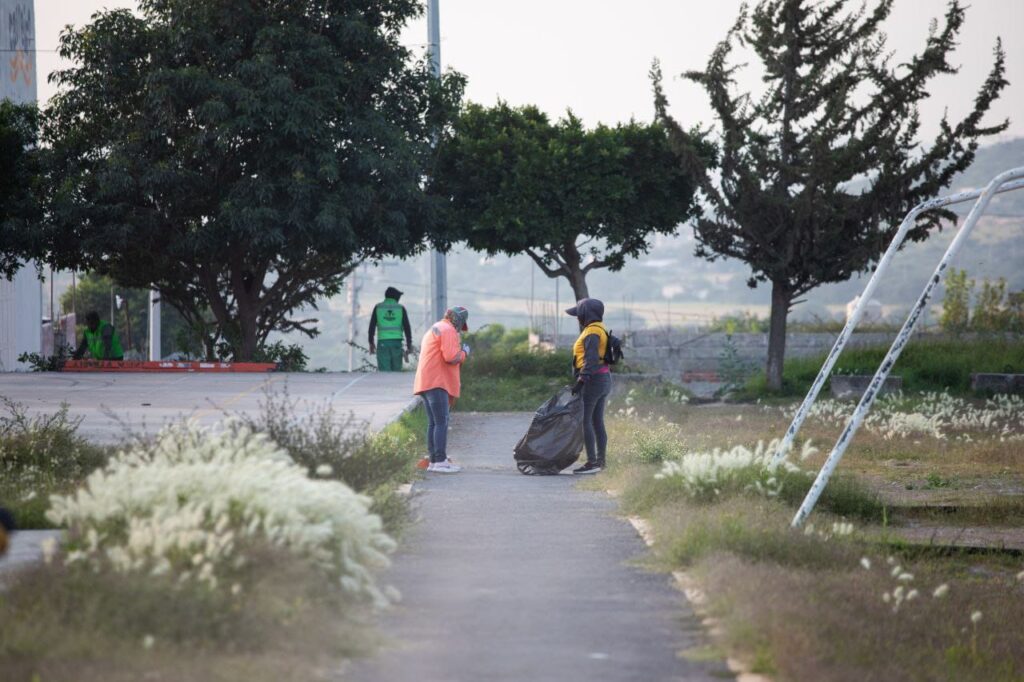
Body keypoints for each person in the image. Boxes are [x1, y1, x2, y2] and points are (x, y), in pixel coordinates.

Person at [413, 306, 470, 473]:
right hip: (437, 382)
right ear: (458, 320)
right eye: (462, 324)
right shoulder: (449, 330)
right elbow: (451, 357)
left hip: (425, 381)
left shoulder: (437, 327)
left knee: (433, 423)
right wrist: (464, 352)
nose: (460, 329)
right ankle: (440, 461)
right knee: (441, 422)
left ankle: (433, 461)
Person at [567, 298, 612, 474]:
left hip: (593, 381)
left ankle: (593, 463)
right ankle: (600, 462)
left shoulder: (591, 332)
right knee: (597, 421)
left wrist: (581, 381)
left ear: (586, 314)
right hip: (603, 378)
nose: (577, 317)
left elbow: (591, 359)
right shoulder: (600, 328)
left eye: (579, 314)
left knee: (586, 421)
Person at [368, 286, 414, 372]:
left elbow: (372, 326)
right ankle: (395, 385)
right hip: (397, 343)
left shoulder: (378, 307)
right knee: (396, 372)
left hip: (383, 343)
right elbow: (407, 328)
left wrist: (371, 342)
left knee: (385, 372)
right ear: (395, 297)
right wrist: (409, 344)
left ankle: (385, 385)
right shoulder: (400, 308)